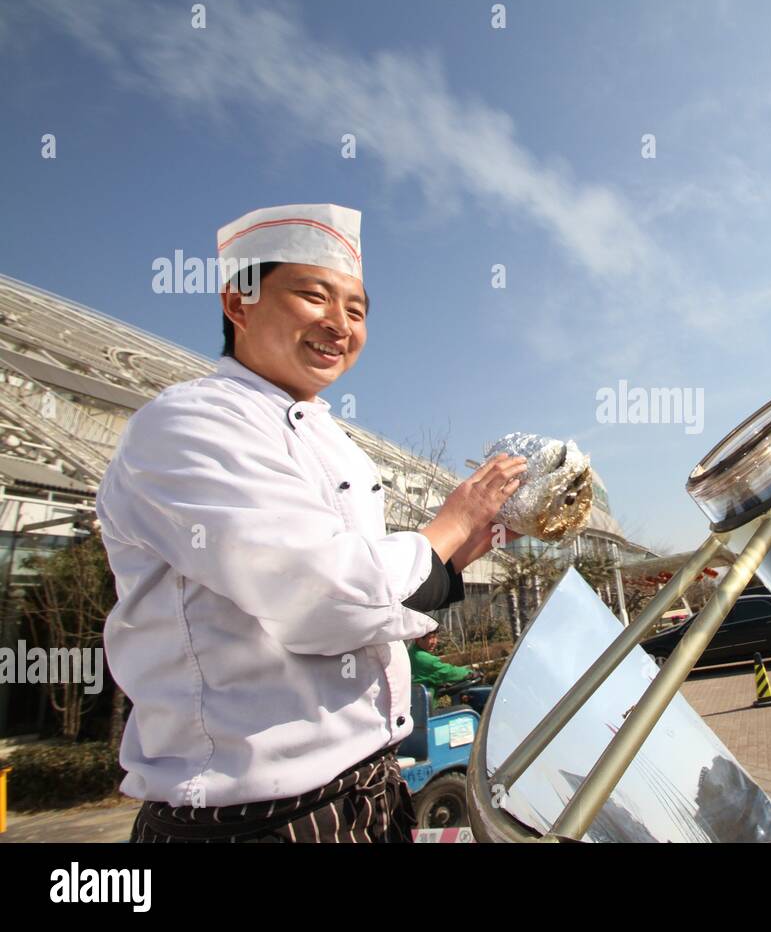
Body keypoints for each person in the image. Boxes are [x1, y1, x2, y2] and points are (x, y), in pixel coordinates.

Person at [97, 203, 526, 842]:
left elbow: (372, 599)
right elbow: (321, 597)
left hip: (369, 791)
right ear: (238, 303)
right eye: (313, 296)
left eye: (356, 310)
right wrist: (449, 521)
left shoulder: (335, 441)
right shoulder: (188, 423)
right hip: (253, 819)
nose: (339, 324)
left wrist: (468, 545)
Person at [408, 627, 481, 700]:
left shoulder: (410, 653)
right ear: (418, 638)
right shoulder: (424, 659)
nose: (434, 642)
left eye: (435, 637)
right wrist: (470, 673)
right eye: (431, 638)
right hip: (425, 707)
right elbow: (448, 672)